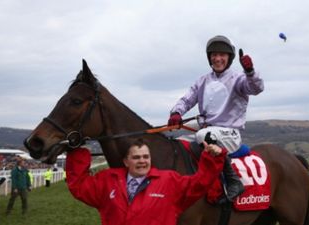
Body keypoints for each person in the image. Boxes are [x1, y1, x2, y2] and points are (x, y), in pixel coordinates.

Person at [167, 35, 264, 202]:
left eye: (222, 55)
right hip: (208, 132)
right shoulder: (202, 80)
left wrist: (250, 72)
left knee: (203, 136)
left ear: (229, 58)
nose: (217, 59)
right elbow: (187, 99)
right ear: (209, 57)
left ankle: (234, 181)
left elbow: (256, 88)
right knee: (178, 141)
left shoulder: (238, 79)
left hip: (229, 134)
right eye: (214, 55)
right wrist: (177, 113)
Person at [66, 138, 226, 225]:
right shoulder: (107, 180)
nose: (142, 161)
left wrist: (213, 158)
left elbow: (200, 183)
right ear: (126, 161)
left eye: (145, 157)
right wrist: (76, 152)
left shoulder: (169, 181)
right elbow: (79, 186)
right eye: (136, 157)